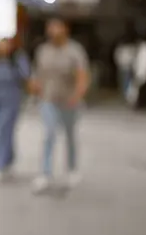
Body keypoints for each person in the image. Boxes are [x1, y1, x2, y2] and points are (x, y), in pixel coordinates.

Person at [30, 17, 90, 194]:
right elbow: (37, 74)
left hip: (69, 100)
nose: (53, 31)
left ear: (65, 30)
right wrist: (35, 90)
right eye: (50, 28)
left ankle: (72, 169)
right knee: (49, 135)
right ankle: (45, 173)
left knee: (70, 135)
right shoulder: (43, 51)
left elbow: (82, 75)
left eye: (57, 28)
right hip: (48, 100)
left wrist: (78, 94)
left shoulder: (74, 51)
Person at [0, 38, 30, 185]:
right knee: (5, 132)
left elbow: (26, 75)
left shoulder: (17, 59)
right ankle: (8, 160)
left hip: (12, 100)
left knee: (3, 131)